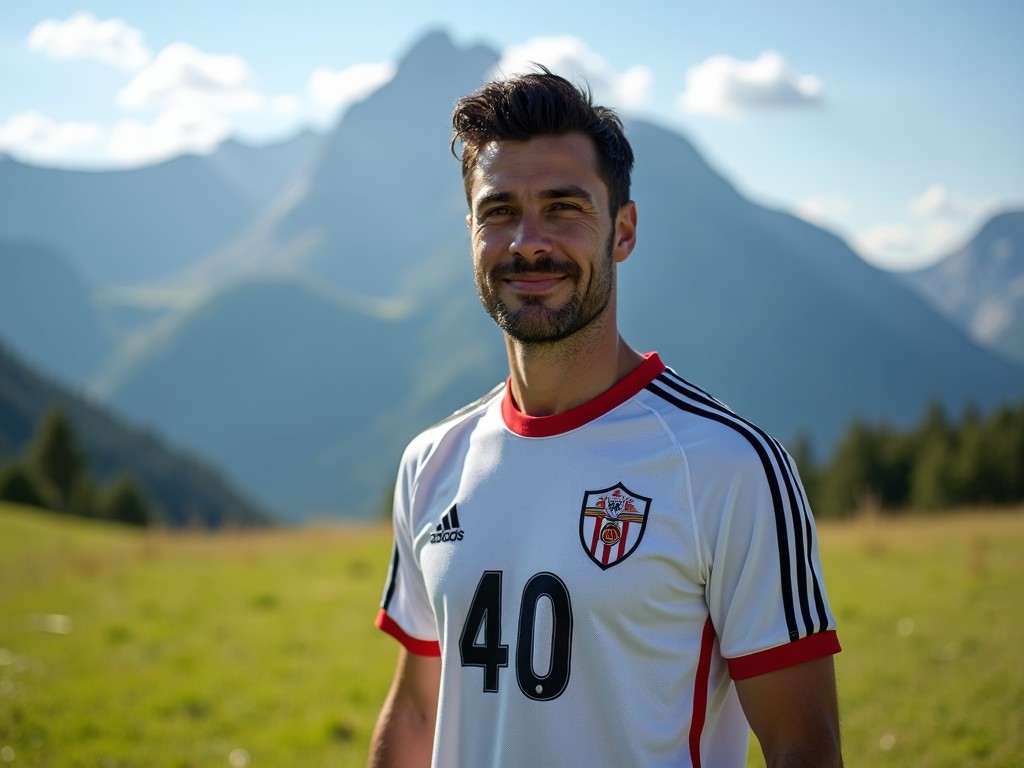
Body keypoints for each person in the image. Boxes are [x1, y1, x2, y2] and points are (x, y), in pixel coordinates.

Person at [367, 69, 843, 768]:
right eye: (499, 211)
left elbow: (803, 746)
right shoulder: (431, 461)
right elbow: (417, 711)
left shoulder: (729, 465)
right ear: (471, 232)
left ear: (622, 231)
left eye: (563, 208)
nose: (529, 241)